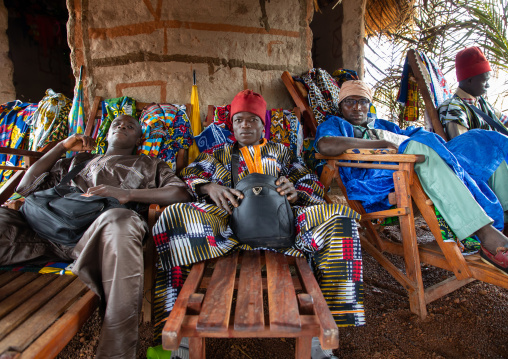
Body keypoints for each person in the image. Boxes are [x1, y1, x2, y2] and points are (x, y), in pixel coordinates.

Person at [152, 90, 364, 358]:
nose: (245, 125)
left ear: (263, 124)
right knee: (173, 218)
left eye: (252, 120)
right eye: (239, 120)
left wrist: (296, 191)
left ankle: (322, 339)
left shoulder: (282, 153)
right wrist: (209, 187)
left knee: (340, 220)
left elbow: (311, 183)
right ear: (232, 124)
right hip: (227, 227)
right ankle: (179, 337)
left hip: (284, 228)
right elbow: (188, 176)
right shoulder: (218, 153)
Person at [0, 114, 192, 359]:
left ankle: (116, 353)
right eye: (116, 124)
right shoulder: (80, 160)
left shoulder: (150, 165)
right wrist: (62, 147)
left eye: (129, 126)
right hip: (41, 231)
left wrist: (127, 194)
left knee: (122, 220)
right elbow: (25, 188)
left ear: (139, 138)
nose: (122, 126)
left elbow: (180, 193)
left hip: (96, 240)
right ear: (107, 134)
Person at [315, 80, 508, 275]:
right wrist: (381, 143)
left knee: (482, 139)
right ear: (340, 105)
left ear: (369, 104)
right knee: (417, 146)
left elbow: (416, 136)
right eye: (349, 101)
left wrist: (426, 143)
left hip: (420, 167)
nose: (356, 107)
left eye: (362, 101)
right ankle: (486, 234)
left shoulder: (383, 125)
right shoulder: (335, 124)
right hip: (380, 182)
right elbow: (325, 145)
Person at [438, 46, 508, 139]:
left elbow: (504, 120)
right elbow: (463, 148)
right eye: (485, 81)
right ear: (469, 81)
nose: (488, 85)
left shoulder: (481, 103)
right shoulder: (454, 109)